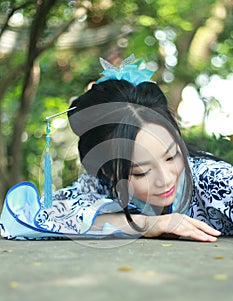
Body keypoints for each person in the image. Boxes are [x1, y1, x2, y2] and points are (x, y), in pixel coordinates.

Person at [1, 55, 233, 241]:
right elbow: (22, 219)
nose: (165, 178)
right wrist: (145, 224)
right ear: (108, 171)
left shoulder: (214, 180)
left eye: (171, 156)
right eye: (141, 171)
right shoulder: (99, 187)